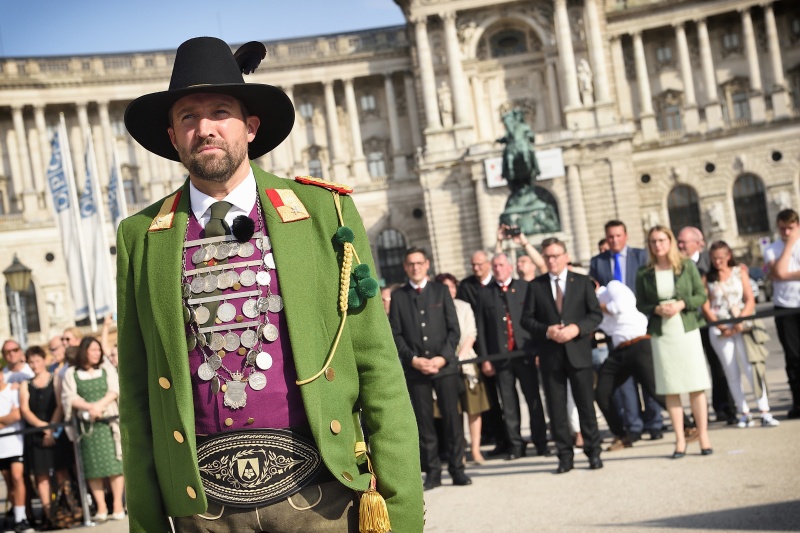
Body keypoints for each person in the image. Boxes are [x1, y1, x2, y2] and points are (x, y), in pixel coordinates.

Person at [117, 37, 422, 532]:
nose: (205, 129)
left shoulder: (326, 213)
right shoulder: (141, 237)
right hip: (205, 512)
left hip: (319, 498)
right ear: (172, 136)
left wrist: (403, 513)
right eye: (189, 117)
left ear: (251, 127)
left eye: (220, 111)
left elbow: (378, 369)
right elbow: (136, 397)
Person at [389, 248, 471, 490]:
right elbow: (396, 333)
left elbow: (454, 329)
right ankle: (433, 472)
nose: (415, 267)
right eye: (410, 264)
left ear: (427, 264)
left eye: (419, 263)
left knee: (452, 420)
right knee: (424, 423)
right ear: (405, 267)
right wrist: (412, 359)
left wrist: (444, 358)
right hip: (416, 369)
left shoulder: (441, 290)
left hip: (443, 367)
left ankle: (458, 470)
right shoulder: (399, 297)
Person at [521, 238, 603, 474]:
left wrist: (577, 328)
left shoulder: (582, 282)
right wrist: (547, 331)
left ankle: (593, 451)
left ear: (566, 257)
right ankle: (564, 456)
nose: (552, 260)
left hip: (578, 352)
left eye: (556, 255)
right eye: (547, 256)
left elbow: (595, 315)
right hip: (551, 356)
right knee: (556, 409)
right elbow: (526, 319)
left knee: (586, 405)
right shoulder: (536, 286)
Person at [636, 226, 712, 458]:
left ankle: (703, 436)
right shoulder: (644, 272)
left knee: (695, 385)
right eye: (653, 241)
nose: (658, 245)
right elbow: (641, 303)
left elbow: (701, 295)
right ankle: (680, 439)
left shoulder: (686, 266)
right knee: (671, 387)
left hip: (686, 329)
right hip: (662, 333)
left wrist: (681, 304)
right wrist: (656, 308)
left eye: (661, 240)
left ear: (669, 241)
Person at [590, 220, 663, 442]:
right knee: (625, 385)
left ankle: (655, 423)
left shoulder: (641, 257)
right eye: (610, 236)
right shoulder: (598, 262)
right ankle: (633, 426)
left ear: (626, 235)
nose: (614, 240)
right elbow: (595, 294)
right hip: (617, 332)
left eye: (618, 235)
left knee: (649, 379)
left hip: (642, 326)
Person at [475, 254, 550, 459]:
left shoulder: (525, 288)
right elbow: (481, 328)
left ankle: (541, 442)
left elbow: (534, 320)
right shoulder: (485, 294)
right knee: (509, 404)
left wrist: (537, 350)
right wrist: (486, 359)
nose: (498, 269)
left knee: (533, 399)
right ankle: (516, 445)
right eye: (495, 266)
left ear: (510, 267)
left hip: (525, 353)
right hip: (501, 357)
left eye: (501, 265)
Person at [703, 241, 780, 428]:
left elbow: (750, 299)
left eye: (720, 258)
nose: (717, 262)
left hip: (742, 324)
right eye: (714, 259)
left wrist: (740, 321)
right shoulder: (708, 278)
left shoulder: (740, 271)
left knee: (751, 367)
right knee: (731, 371)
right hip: (720, 328)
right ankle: (743, 412)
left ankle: (764, 410)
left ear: (728, 255)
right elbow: (705, 306)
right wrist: (722, 328)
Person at [594, 281, 669, 451]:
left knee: (654, 390)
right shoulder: (589, 308)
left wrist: (597, 307)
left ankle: (688, 425)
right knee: (601, 392)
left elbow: (620, 306)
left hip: (639, 343)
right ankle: (621, 435)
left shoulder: (613, 287)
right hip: (619, 350)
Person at [678, 226, 737, 425]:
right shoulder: (676, 264)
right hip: (689, 323)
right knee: (693, 368)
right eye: (678, 241)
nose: (680, 245)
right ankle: (697, 413)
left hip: (709, 322)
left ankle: (724, 407)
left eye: (683, 242)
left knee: (718, 365)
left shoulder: (708, 260)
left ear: (697, 242)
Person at [61, 337, 125, 521]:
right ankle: (102, 507)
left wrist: (99, 406)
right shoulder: (71, 373)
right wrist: (89, 408)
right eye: (93, 350)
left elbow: (114, 389)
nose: (98, 353)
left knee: (114, 465)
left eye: (99, 350)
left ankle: (118, 505)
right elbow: (68, 397)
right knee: (92, 467)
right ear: (84, 351)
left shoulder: (106, 369)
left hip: (108, 423)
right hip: (87, 427)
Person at [434, 273, 490, 464]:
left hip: (466, 363)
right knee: (453, 412)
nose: (450, 291)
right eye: (445, 287)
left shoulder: (464, 306)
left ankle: (475, 450)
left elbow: (471, 333)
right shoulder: (434, 308)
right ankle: (459, 452)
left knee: (474, 409)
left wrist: (459, 357)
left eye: (452, 286)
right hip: (445, 365)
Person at [457, 250, 508, 456]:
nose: (476, 268)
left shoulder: (497, 284)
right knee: (489, 400)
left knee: (508, 397)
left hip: (498, 348)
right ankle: (497, 438)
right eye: (473, 265)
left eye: (479, 264)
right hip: (475, 352)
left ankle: (511, 437)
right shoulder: (466, 286)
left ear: (488, 264)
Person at [19, 346, 64, 525]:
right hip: (36, 434)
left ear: (44, 360)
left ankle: (64, 510)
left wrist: (51, 428)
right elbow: (24, 409)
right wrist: (43, 428)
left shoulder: (55, 379)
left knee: (61, 472)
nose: (34, 365)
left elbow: (60, 405)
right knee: (41, 477)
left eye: (37, 360)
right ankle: (49, 515)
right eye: (31, 362)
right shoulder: (25, 384)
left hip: (57, 430)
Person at [764, 208, 800, 419]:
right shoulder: (773, 248)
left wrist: (787, 273)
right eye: (782, 228)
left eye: (790, 228)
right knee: (793, 357)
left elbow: (783, 273)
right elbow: (777, 273)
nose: (786, 232)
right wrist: (788, 246)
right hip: (785, 306)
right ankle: (797, 402)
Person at [0, 343, 34, 533]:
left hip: (18, 440)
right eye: (7, 352)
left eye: (15, 350)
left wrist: (3, 420)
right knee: (9, 481)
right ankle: (19, 515)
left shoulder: (13, 386)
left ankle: (23, 518)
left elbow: (16, 415)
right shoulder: (7, 376)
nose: (11, 354)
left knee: (18, 476)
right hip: (2, 444)